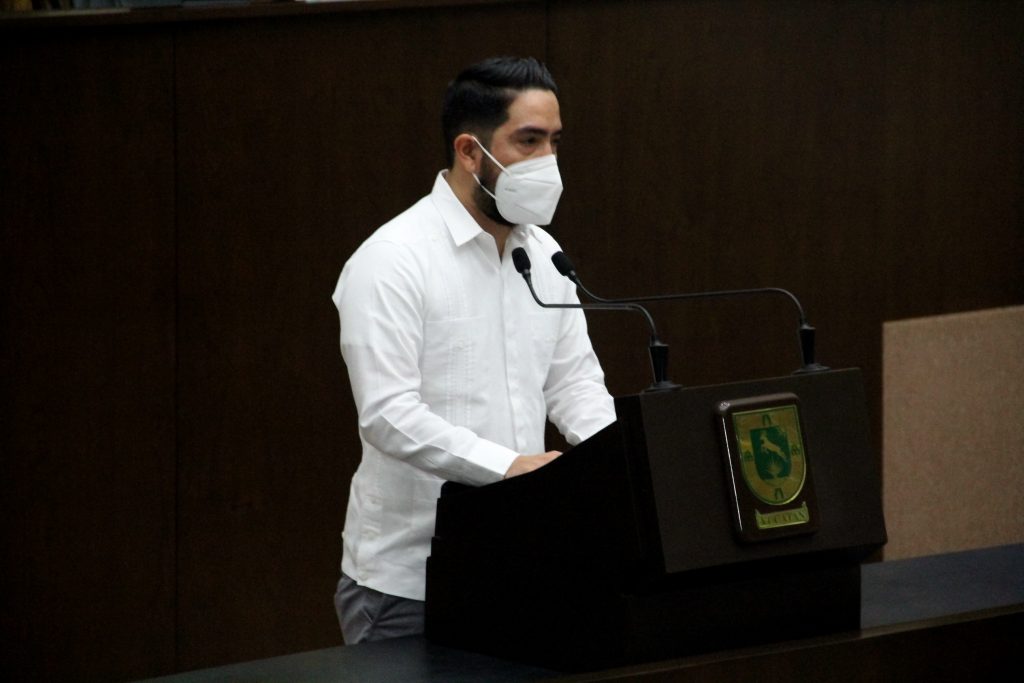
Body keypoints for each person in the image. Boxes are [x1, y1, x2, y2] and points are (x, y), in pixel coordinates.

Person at [331, 56, 616, 644]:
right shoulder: (393, 259)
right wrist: (509, 468)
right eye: (528, 141)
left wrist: (621, 464)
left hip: (524, 567)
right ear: (469, 151)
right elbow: (387, 414)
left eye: (555, 142)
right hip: (409, 586)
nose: (548, 161)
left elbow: (574, 386)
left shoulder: (543, 255)